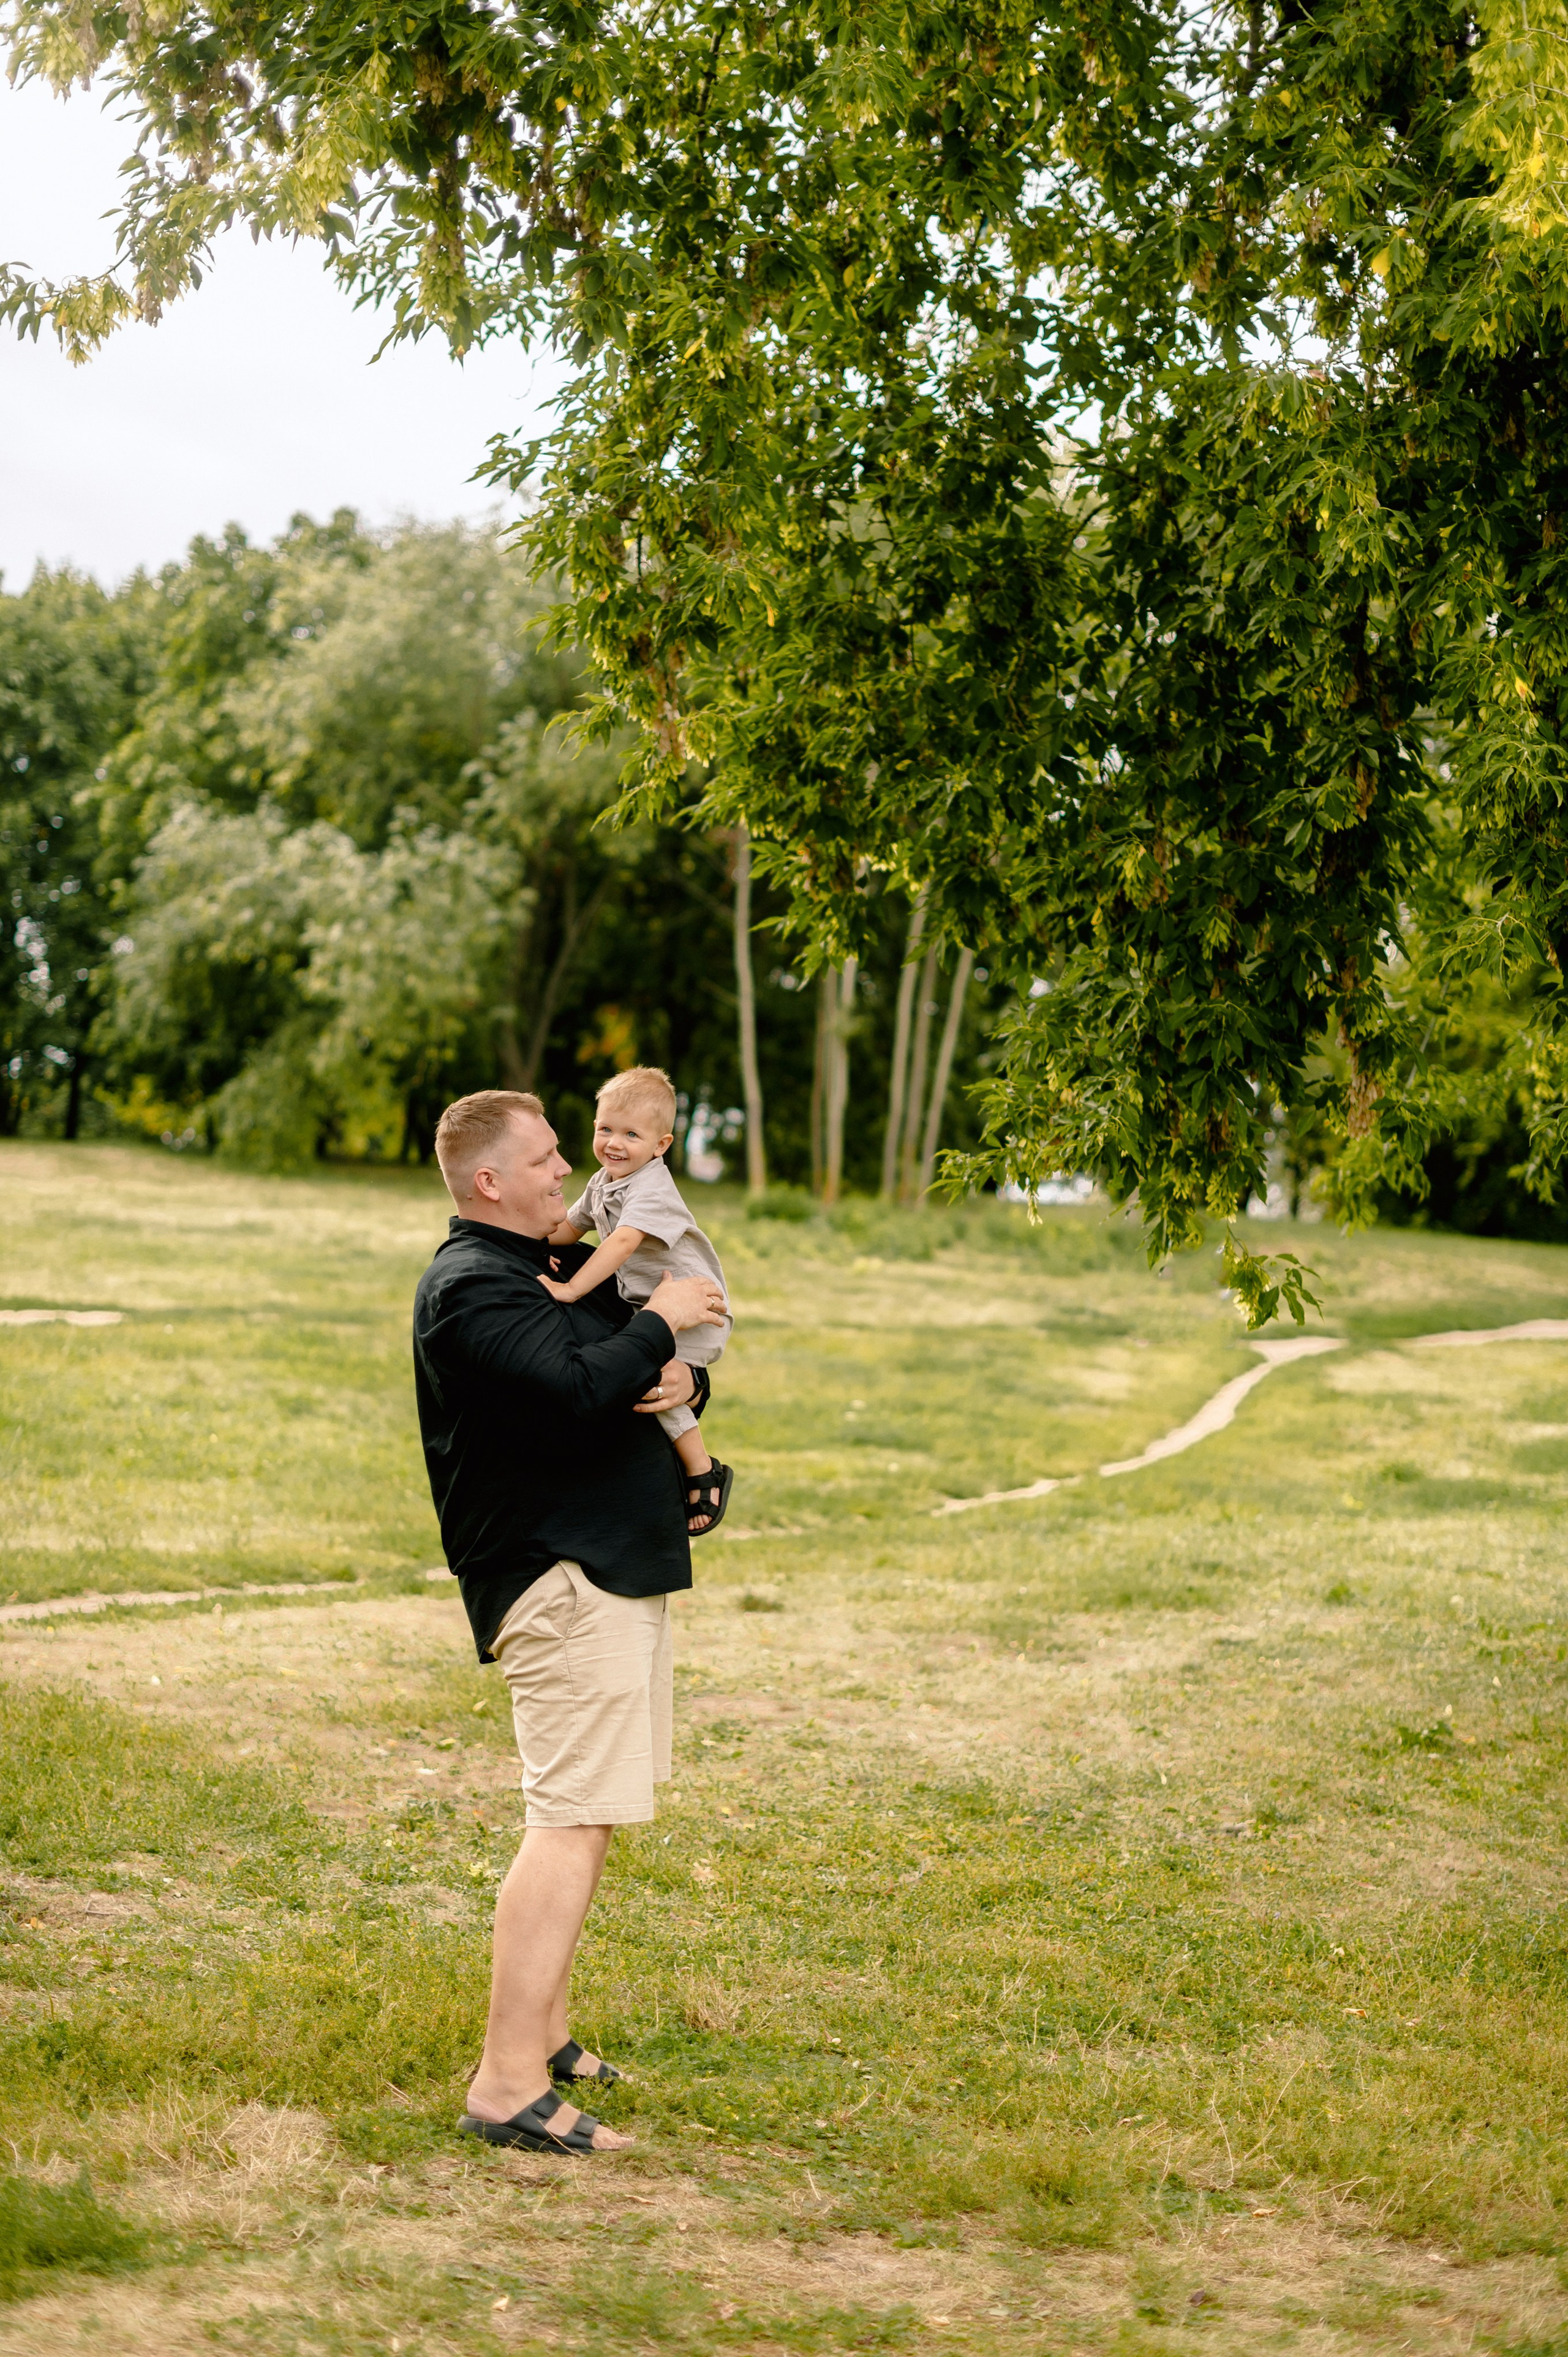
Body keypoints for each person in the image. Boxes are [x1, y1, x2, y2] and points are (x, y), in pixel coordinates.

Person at [412, 1087, 728, 2157]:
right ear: (490, 1179)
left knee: (592, 1814)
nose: (573, 1173)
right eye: (548, 1159)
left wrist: (683, 1374)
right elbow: (578, 1382)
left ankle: (541, 2033)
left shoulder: (542, 1265)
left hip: (614, 1567)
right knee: (567, 1815)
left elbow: (628, 1372)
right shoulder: (471, 1289)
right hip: (561, 1580)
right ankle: (504, 2084)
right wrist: (662, 1320)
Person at [539, 1065, 734, 1536]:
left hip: (696, 1308)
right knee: (631, 1375)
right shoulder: (603, 1181)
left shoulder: (652, 1188)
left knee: (655, 1381)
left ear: (660, 1146)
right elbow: (570, 1228)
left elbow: (623, 1242)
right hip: (651, 1304)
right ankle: (659, 1461)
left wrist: (570, 1289)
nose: (614, 1143)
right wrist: (525, 1244)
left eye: (631, 1134)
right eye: (606, 1129)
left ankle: (702, 1468)